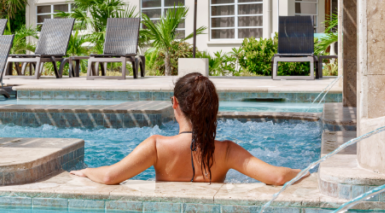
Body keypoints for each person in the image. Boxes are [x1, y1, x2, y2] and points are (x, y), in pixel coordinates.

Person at [70, 73, 305, 185]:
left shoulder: (156, 146)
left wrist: (88, 171)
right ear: (213, 108)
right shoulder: (226, 152)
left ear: (174, 103)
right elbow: (277, 176)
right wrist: (304, 171)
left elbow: (110, 176)